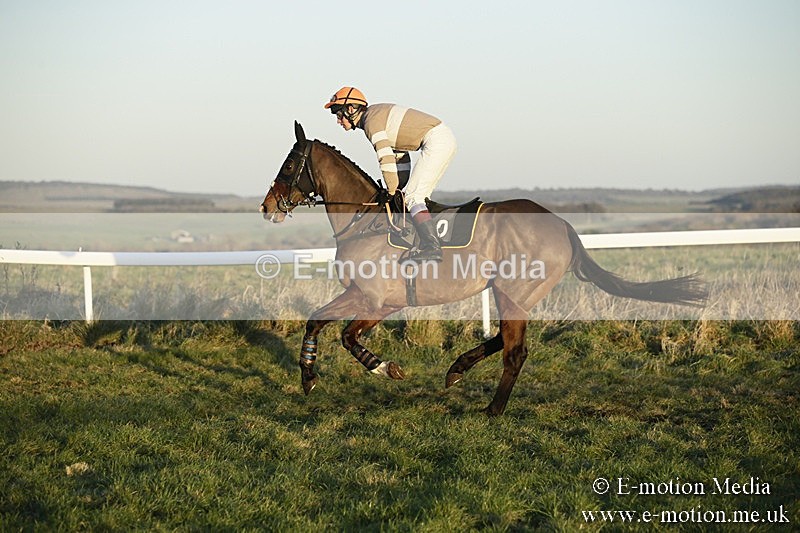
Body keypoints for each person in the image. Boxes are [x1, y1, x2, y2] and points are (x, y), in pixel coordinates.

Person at [324, 86, 457, 262]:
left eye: (338, 114)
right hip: (440, 139)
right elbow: (400, 155)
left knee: (413, 197)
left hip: (437, 140)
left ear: (351, 109)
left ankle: (433, 247)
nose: (338, 121)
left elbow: (385, 158)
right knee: (410, 196)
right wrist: (397, 188)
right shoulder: (373, 117)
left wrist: (392, 190)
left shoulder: (371, 121)